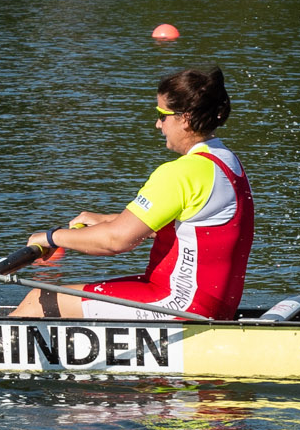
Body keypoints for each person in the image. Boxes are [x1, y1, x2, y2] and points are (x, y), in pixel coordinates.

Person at [17, 65, 253, 320]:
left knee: (40, 298)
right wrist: (110, 220)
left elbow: (116, 241)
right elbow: (196, 234)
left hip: (178, 304)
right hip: (212, 305)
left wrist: (51, 238)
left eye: (162, 115)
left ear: (184, 118)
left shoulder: (181, 172)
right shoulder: (227, 162)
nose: (157, 124)